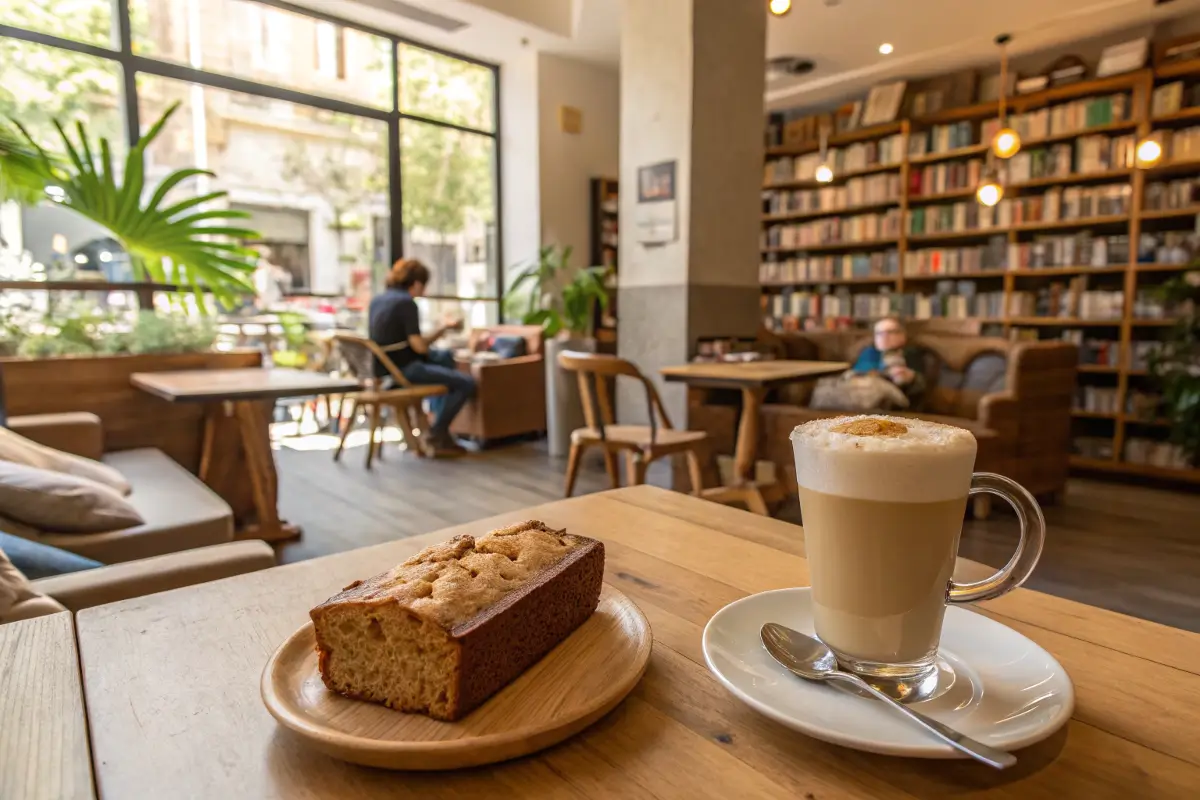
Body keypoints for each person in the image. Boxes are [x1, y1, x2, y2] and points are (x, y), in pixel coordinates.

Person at [368, 259, 474, 457]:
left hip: (384, 368)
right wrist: (443, 328)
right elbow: (418, 345)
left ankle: (440, 430)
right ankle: (436, 432)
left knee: (445, 357)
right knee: (466, 383)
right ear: (416, 283)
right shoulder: (407, 303)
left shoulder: (378, 300)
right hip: (404, 369)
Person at [850, 317, 926, 406]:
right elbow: (857, 373)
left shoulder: (911, 353)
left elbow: (922, 385)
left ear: (902, 336)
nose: (884, 337)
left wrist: (911, 377)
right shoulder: (869, 352)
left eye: (890, 332)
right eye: (879, 333)